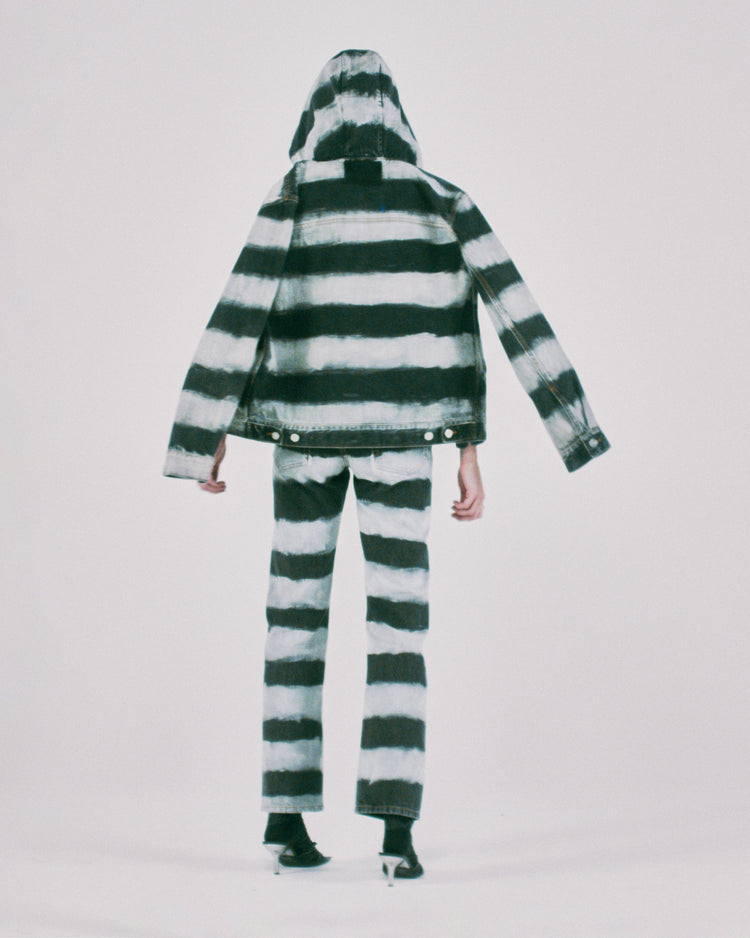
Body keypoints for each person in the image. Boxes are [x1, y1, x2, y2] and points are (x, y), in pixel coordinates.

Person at [162, 49, 611, 885]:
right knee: (400, 628)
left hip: (302, 439)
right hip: (405, 438)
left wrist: (203, 434)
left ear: (319, 110)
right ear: (397, 112)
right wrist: (497, 443)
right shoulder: (441, 197)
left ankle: (285, 821)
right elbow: (506, 313)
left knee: (292, 621)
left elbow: (240, 310)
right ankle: (397, 835)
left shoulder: (293, 194)